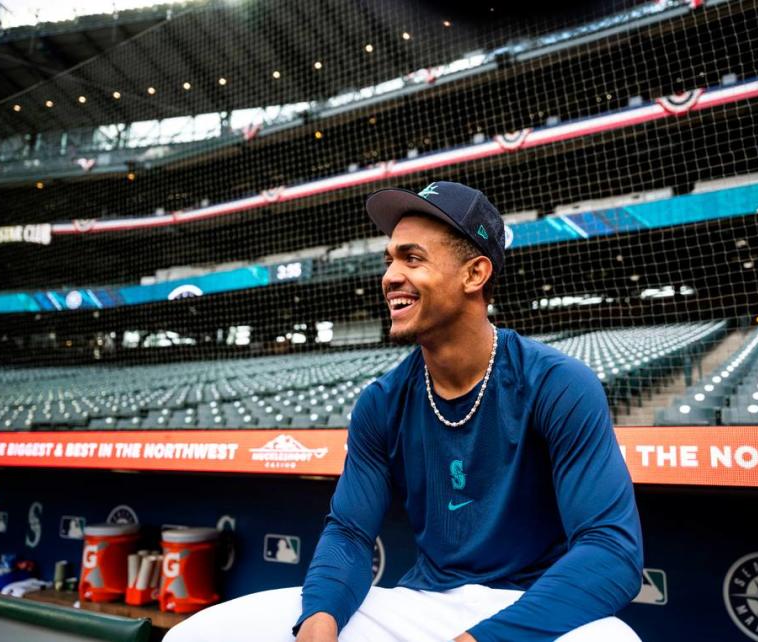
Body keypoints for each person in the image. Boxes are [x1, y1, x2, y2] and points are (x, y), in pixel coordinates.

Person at [165, 181, 643, 642]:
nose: (391, 275)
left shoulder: (558, 384)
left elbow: (612, 553)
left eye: (413, 258)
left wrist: (480, 639)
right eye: (390, 259)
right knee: (199, 633)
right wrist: (319, 624)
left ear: (475, 274)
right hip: (421, 604)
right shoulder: (381, 401)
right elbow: (350, 533)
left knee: (611, 638)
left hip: (527, 605)